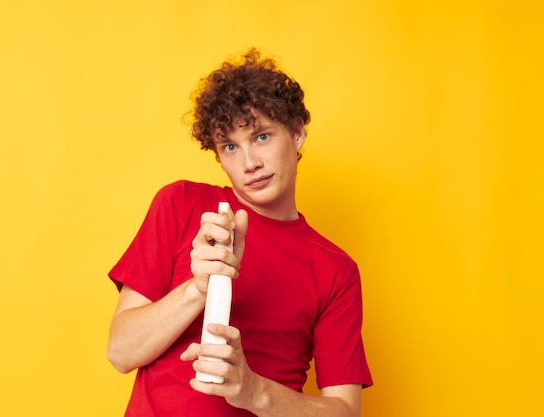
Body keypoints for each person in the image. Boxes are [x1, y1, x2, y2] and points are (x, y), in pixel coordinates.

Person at [107, 48, 372, 417]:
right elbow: (120, 352)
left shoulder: (335, 269)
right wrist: (197, 289)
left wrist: (253, 391)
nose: (249, 164)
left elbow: (346, 412)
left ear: (296, 133)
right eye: (230, 146)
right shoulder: (181, 204)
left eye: (262, 136)